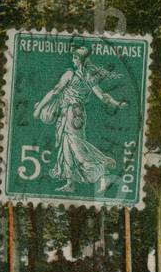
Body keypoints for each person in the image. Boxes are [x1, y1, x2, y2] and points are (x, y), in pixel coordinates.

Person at [32, 45, 125, 193]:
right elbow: (103, 97)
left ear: (80, 59)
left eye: (74, 57)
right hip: (78, 114)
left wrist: (38, 109)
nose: (72, 60)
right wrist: (117, 103)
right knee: (67, 147)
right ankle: (70, 183)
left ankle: (102, 173)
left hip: (70, 113)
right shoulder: (89, 78)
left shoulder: (70, 74)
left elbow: (55, 92)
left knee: (76, 147)